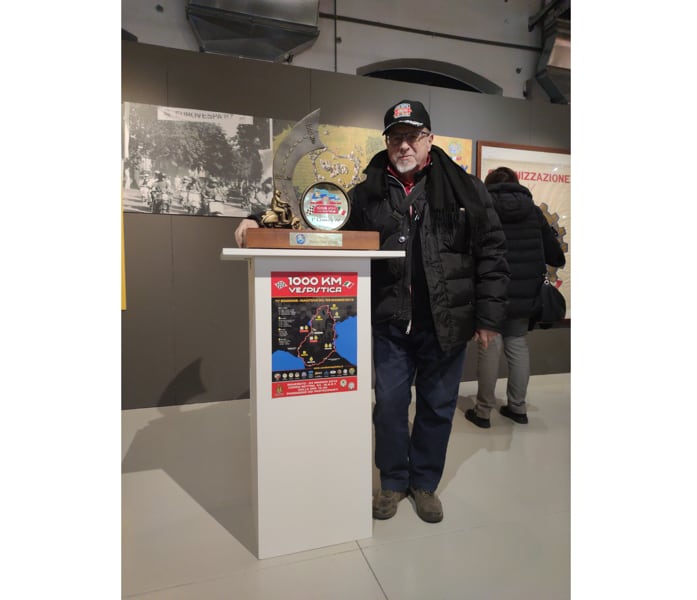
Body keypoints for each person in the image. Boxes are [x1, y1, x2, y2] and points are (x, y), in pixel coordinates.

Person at [234, 100, 510, 523]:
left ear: (429, 139)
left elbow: (492, 253)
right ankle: (394, 481)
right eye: (396, 138)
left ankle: (424, 483)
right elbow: (319, 220)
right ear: (387, 142)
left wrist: (489, 318)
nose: (404, 146)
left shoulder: (466, 190)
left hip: (447, 323)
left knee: (438, 407)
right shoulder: (366, 192)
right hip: (390, 322)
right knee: (390, 407)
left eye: (412, 136)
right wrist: (259, 219)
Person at [465, 166, 565, 428]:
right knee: (518, 345)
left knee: (489, 346)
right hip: (525, 292)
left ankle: (483, 411)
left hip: (490, 291)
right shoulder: (533, 212)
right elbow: (555, 254)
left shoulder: (482, 209)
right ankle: (518, 408)